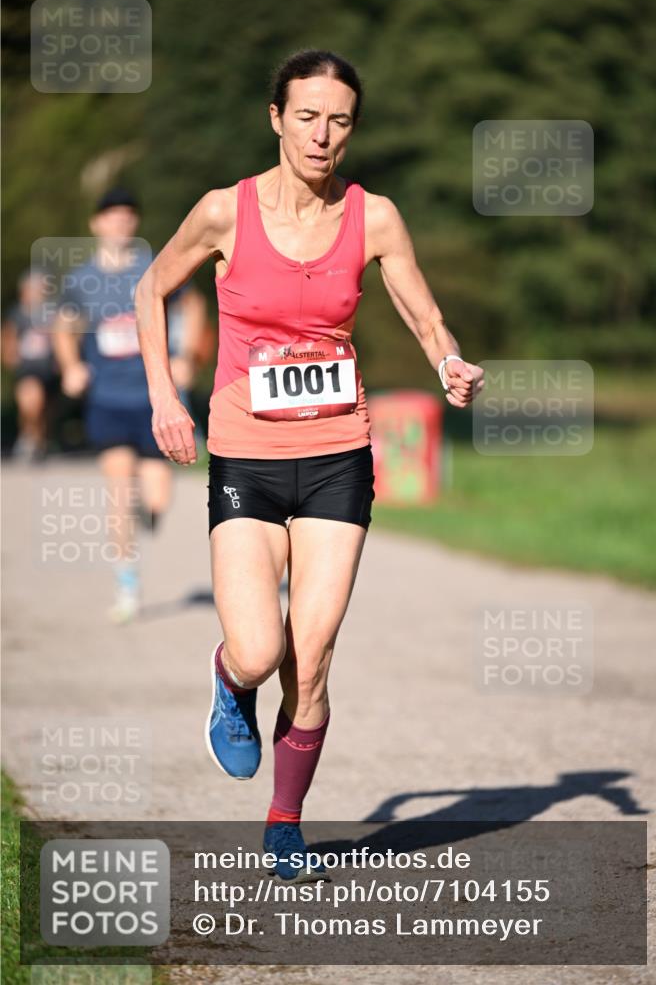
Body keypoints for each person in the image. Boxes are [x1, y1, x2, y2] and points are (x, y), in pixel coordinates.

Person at [135, 50, 484, 880]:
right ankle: (230, 680)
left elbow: (423, 315)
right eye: (307, 117)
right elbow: (150, 290)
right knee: (259, 651)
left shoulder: (375, 218)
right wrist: (165, 399)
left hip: (336, 456)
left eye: (339, 121)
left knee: (313, 653)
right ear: (276, 118)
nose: (322, 135)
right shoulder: (224, 211)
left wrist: (447, 362)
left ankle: (285, 822)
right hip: (246, 455)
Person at [53, 186, 206, 623]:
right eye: (111, 215)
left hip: (155, 397)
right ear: (96, 224)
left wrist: (186, 355)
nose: (120, 222)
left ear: (134, 222)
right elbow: (64, 326)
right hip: (107, 398)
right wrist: (71, 366)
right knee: (118, 492)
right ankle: (127, 586)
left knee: (157, 496)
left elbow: (193, 305)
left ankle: (149, 511)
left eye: (127, 215)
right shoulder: (81, 279)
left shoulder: (155, 266)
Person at [2, 268, 60, 460]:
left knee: (45, 410)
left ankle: (40, 440)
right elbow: (8, 338)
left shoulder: (52, 313)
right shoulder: (17, 314)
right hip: (28, 369)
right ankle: (28, 438)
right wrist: (10, 357)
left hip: (50, 370)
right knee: (31, 404)